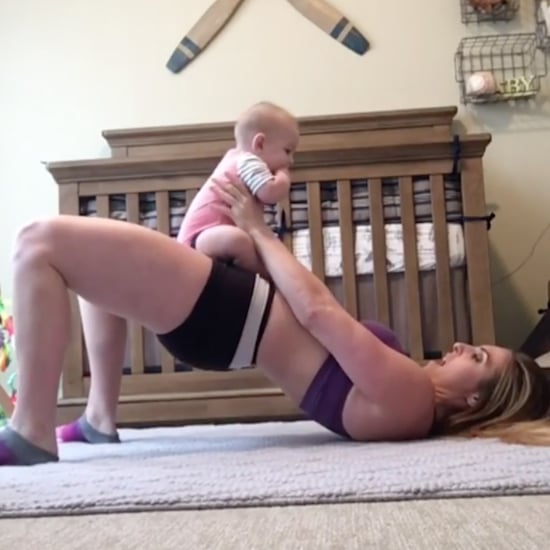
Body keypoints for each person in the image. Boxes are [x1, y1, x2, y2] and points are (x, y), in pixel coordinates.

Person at [1, 179, 550, 466]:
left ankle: (32, 430)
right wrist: (255, 254)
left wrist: (259, 229)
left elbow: (317, 311)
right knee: (92, 268)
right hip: (234, 315)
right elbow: (307, 325)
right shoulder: (407, 393)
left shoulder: (411, 399)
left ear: (475, 402)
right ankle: (98, 418)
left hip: (226, 314)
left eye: (476, 357)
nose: (460, 345)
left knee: (37, 244)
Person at [176, 101, 299, 275]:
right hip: (199, 239)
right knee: (238, 240)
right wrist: (283, 177)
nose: (290, 161)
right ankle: (262, 274)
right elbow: (270, 193)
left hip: (206, 239)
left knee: (242, 241)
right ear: (260, 144)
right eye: (287, 151)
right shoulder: (247, 161)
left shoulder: (234, 158)